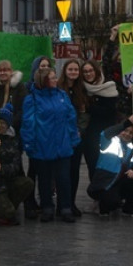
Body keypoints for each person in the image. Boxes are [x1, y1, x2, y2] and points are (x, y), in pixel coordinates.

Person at [20, 66, 80, 222]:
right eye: (52, 78)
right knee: (44, 179)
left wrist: (73, 138)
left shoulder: (62, 95)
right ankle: (47, 206)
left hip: (62, 143)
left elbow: (70, 118)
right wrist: (29, 143)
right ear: (44, 81)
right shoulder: (32, 99)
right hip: (43, 144)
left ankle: (65, 207)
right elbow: (28, 123)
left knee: (64, 178)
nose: (55, 80)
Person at [87, 115, 133, 217]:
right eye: (125, 130)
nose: (127, 134)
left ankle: (129, 205)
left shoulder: (130, 147)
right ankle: (103, 205)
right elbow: (105, 133)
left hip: (119, 182)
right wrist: (127, 122)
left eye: (130, 133)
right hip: (105, 183)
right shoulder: (109, 141)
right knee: (112, 203)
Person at [57, 58, 88, 216]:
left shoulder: (82, 89)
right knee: (62, 171)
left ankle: (71, 202)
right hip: (61, 136)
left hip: (76, 136)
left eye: (76, 70)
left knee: (74, 171)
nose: (73, 72)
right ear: (65, 71)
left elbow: (84, 113)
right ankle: (62, 203)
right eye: (71, 69)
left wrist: (80, 130)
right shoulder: (58, 88)